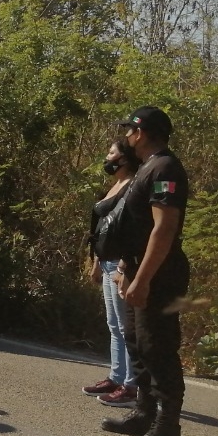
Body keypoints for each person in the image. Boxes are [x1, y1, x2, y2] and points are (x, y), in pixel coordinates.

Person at [100, 105, 190, 436]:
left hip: (161, 274)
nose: (126, 137)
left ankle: (168, 430)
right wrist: (126, 267)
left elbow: (163, 229)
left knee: (158, 347)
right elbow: (134, 227)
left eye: (129, 130)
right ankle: (143, 413)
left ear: (141, 133)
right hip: (139, 267)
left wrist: (145, 278)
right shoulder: (148, 168)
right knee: (136, 340)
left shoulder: (165, 167)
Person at [82, 138, 142, 407]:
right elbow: (102, 227)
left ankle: (131, 385)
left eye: (111, 153)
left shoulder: (133, 185)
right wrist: (97, 261)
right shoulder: (115, 184)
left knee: (127, 328)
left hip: (120, 263)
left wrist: (123, 267)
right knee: (114, 326)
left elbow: (129, 230)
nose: (107, 158)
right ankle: (116, 377)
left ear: (125, 158)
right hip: (106, 261)